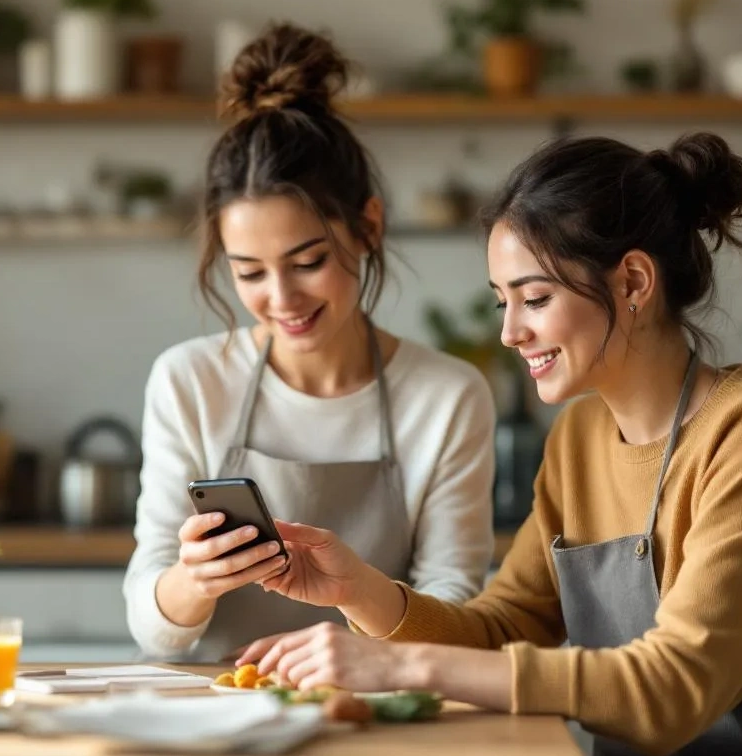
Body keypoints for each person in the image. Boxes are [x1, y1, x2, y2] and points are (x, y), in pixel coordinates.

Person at [235, 131, 742, 756]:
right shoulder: (578, 439)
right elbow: (505, 628)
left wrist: (402, 668)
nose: (510, 333)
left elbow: (676, 690)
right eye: (502, 303)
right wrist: (357, 589)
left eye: (535, 298)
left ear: (634, 282)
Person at [121, 22, 498, 663]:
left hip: (376, 709)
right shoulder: (189, 380)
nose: (282, 298)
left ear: (368, 227)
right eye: (249, 272)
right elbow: (150, 622)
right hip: (216, 710)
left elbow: (454, 612)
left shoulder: (447, 396)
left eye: (308, 260)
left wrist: (356, 608)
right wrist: (193, 580)